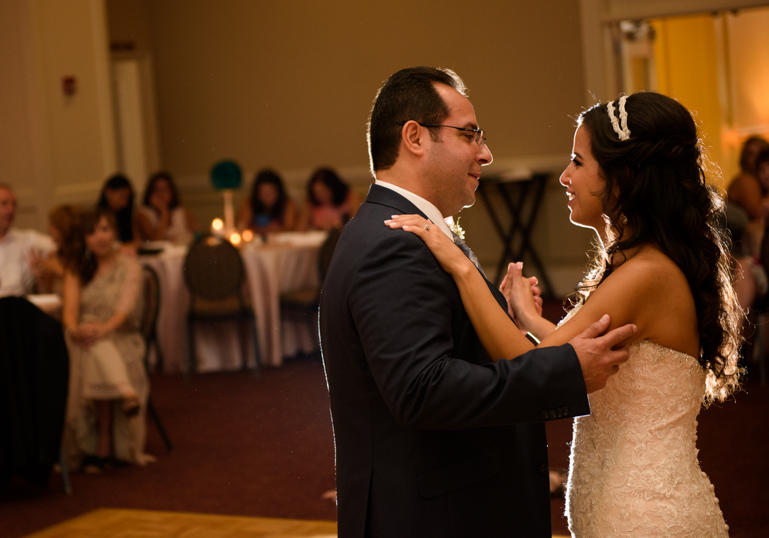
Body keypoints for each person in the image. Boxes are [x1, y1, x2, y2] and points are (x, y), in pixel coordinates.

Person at [388, 91, 742, 537]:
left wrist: (460, 265)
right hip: (622, 507)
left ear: (621, 177)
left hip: (647, 517)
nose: (563, 176)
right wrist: (533, 323)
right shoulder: (639, 266)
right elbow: (585, 352)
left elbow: (524, 365)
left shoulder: (647, 273)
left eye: (577, 161)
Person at [320, 66, 634, 538]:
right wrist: (564, 372)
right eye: (469, 135)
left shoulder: (403, 229)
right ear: (415, 137)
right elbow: (422, 389)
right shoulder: (394, 241)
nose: (485, 153)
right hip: (434, 517)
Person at [60, 207, 153, 471]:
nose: (100, 237)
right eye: (91, 232)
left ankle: (101, 447)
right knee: (92, 343)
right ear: (84, 239)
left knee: (98, 345)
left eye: (104, 229)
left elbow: (124, 310)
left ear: (114, 232)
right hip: (82, 336)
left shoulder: (130, 267)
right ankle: (125, 392)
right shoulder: (77, 267)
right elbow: (69, 312)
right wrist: (75, 330)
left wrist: (103, 328)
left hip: (120, 333)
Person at [33, 204, 83, 295]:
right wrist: (39, 278)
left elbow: (87, 289)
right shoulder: (53, 256)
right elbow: (46, 294)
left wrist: (58, 269)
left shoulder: (84, 255)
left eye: (53, 225)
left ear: (65, 227)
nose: (49, 230)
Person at [137, 172, 198, 244]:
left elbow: (198, 233)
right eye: (156, 190)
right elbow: (155, 242)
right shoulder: (143, 214)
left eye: (164, 189)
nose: (161, 194)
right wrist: (164, 212)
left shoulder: (179, 211)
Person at [237, 169, 298, 233]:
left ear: (278, 191)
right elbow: (243, 225)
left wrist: (277, 229)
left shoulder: (288, 203)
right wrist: (260, 229)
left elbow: (291, 228)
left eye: (271, 193)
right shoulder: (249, 203)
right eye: (263, 193)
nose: (267, 197)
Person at [98, 174, 142, 254]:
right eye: (121, 197)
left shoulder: (125, 215)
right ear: (108, 192)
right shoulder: (98, 216)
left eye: (127, 198)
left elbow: (137, 242)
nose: (124, 203)